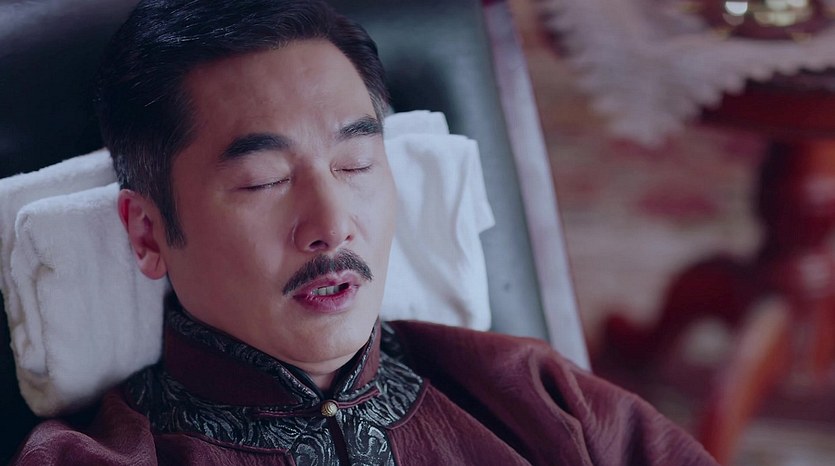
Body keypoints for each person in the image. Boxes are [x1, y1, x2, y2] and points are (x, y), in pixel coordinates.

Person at [13, 1, 719, 464]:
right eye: (263, 181)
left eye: (355, 165)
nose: (331, 227)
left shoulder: (536, 397)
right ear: (146, 234)